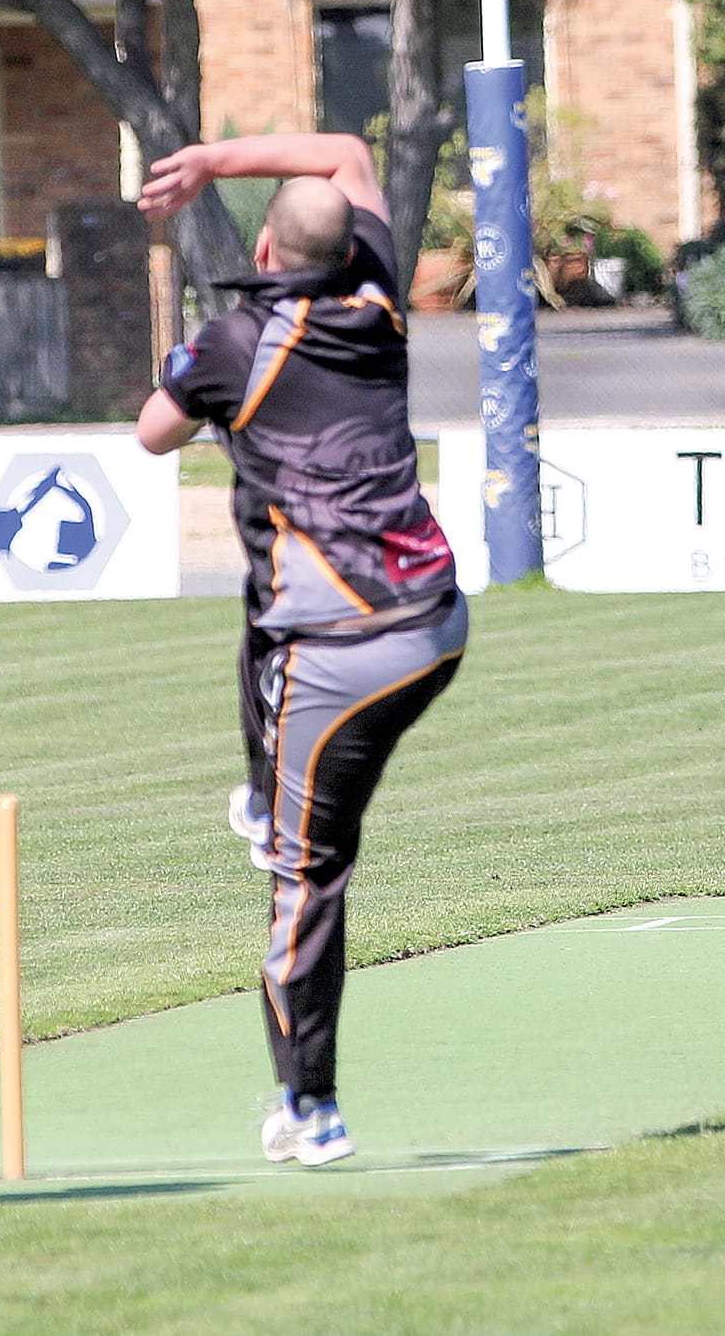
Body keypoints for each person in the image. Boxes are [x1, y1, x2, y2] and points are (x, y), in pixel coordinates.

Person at [135, 132, 469, 1167]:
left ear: (267, 254)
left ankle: (309, 1107)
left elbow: (152, 432)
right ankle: (258, 793)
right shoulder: (375, 293)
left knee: (306, 877)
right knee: (257, 595)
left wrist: (190, 176)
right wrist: (216, 159)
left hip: (339, 648)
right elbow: (349, 152)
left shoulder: (237, 342)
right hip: (436, 625)